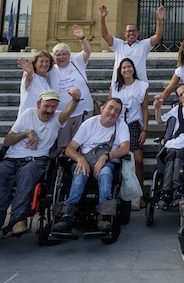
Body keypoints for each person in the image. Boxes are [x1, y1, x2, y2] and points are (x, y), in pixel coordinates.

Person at [0, 89, 81, 236]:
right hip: (12, 158)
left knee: (27, 174)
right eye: (46, 105)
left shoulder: (57, 119)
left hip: (36, 161)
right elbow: (7, 140)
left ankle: (19, 219)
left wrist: (75, 100)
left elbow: (68, 111)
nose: (49, 110)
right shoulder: (28, 113)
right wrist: (27, 133)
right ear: (38, 104)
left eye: (53, 106)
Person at [53, 98, 131, 233]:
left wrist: (105, 157)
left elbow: (125, 148)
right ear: (102, 109)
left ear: (119, 115)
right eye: (110, 108)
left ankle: (104, 216)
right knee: (79, 173)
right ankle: (68, 215)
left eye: (117, 111)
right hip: (84, 160)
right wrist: (80, 159)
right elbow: (70, 148)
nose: (112, 113)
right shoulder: (89, 124)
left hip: (107, 162)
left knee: (106, 173)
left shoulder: (121, 125)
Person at [47, 26, 94, 147]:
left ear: (69, 55)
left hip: (83, 111)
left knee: (82, 144)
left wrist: (82, 38)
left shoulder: (77, 62)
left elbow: (87, 51)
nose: (61, 57)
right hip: (62, 114)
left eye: (64, 54)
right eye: (58, 55)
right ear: (53, 57)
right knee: (63, 145)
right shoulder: (50, 69)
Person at [111, 57, 150, 196]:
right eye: (124, 68)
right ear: (120, 71)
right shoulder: (115, 87)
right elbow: (109, 107)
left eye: (129, 67)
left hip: (133, 125)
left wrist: (145, 129)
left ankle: (139, 193)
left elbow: (145, 109)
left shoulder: (141, 86)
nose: (126, 70)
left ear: (133, 69)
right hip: (117, 124)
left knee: (138, 160)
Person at [99, 3, 165, 82]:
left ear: (138, 33)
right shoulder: (118, 45)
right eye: (129, 31)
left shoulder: (144, 45)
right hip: (120, 85)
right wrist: (102, 18)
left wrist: (159, 20)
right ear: (124, 34)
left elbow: (158, 36)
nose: (131, 33)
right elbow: (104, 35)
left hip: (139, 85)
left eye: (134, 31)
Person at [17, 49, 54, 115]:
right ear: (35, 64)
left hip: (41, 119)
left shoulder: (46, 79)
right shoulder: (31, 77)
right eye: (41, 61)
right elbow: (28, 80)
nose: (44, 64)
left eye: (47, 61)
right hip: (28, 120)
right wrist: (29, 72)